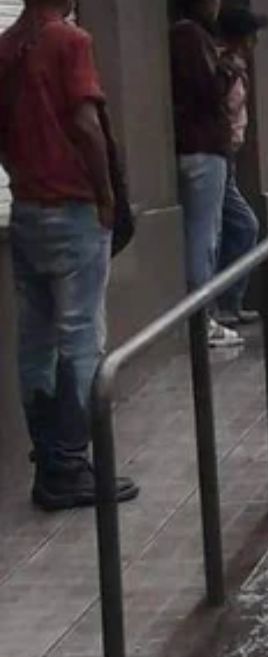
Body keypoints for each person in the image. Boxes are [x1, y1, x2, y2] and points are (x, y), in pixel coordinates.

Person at [0, 0, 139, 509]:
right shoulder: (69, 41)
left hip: (28, 210)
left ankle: (49, 460)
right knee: (81, 336)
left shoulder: (7, 47)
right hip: (73, 209)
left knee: (35, 339)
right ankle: (71, 465)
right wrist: (104, 197)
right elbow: (86, 124)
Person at [171, 0, 244, 347]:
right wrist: (227, 71)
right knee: (205, 238)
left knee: (205, 234)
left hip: (196, 149)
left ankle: (204, 315)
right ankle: (203, 318)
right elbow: (208, 90)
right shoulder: (191, 35)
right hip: (203, 150)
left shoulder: (187, 35)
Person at [213, 5, 268, 326]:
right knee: (243, 226)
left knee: (234, 228)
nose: (255, 43)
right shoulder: (222, 67)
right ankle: (223, 304)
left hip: (227, 157)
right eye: (252, 36)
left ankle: (228, 303)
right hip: (217, 156)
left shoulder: (236, 66)